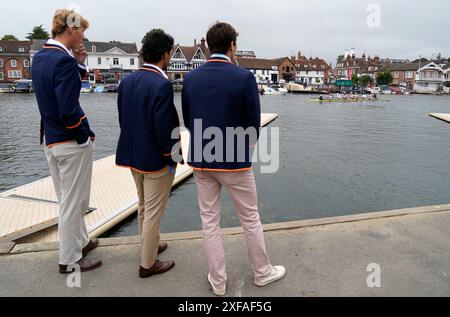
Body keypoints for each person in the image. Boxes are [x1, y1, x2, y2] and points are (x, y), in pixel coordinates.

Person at [182, 22, 286, 296]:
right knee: (250, 218)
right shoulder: (243, 78)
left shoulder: (191, 79)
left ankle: (218, 281)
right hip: (234, 161)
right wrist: (245, 148)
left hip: (202, 159)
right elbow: (252, 123)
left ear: (207, 46)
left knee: (209, 221)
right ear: (232, 46)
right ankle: (262, 273)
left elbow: (188, 119)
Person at [32, 9, 101, 274]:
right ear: (71, 29)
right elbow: (68, 107)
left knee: (67, 199)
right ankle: (70, 260)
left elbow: (59, 89)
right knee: (76, 202)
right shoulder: (63, 61)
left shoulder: (42, 57)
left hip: (50, 139)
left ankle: (81, 243)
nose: (83, 35)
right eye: (82, 29)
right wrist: (83, 136)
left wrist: (79, 63)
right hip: (70, 142)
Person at [115, 29, 182, 278]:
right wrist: (173, 158)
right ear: (165, 54)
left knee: (143, 206)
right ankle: (147, 264)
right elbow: (165, 129)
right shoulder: (162, 84)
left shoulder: (127, 81)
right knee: (153, 211)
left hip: (133, 157)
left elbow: (123, 119)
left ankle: (148, 247)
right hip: (156, 161)